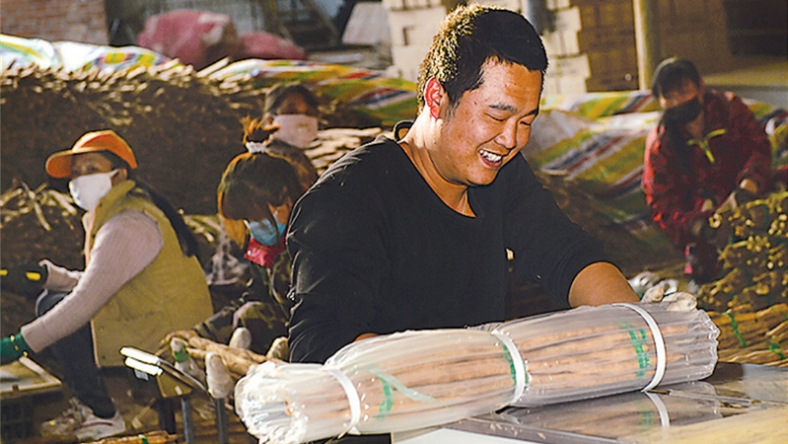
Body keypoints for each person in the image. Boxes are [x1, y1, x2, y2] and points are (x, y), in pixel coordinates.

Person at [286, 4, 640, 369]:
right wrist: (470, 369)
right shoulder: (349, 200)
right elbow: (321, 348)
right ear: (436, 98)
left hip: (481, 409)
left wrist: (641, 332)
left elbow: (568, 256)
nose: (510, 139)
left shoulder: (500, 176)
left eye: (526, 121)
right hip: (394, 419)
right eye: (497, 116)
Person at [0, 130, 213, 440]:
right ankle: (97, 407)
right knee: (54, 295)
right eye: (75, 173)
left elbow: (88, 297)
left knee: (55, 305)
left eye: (91, 169)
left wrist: (18, 344)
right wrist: (48, 275)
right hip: (153, 320)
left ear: (119, 174)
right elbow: (103, 281)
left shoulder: (128, 224)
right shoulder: (124, 213)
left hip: (168, 341)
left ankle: (102, 414)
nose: (78, 179)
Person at [641, 57, 777, 284]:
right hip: (705, 217)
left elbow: (759, 148)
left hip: (750, 193)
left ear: (701, 87)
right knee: (715, 271)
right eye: (669, 96)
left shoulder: (730, 110)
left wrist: (747, 187)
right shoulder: (661, 144)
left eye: (683, 92)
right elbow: (661, 203)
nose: (677, 101)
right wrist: (697, 226)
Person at [186, 150, 314, 355]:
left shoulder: (318, 232)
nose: (253, 226)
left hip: (321, 334)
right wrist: (199, 334)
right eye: (248, 220)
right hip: (290, 332)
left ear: (284, 197)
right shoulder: (265, 247)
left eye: (257, 217)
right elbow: (255, 295)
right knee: (247, 315)